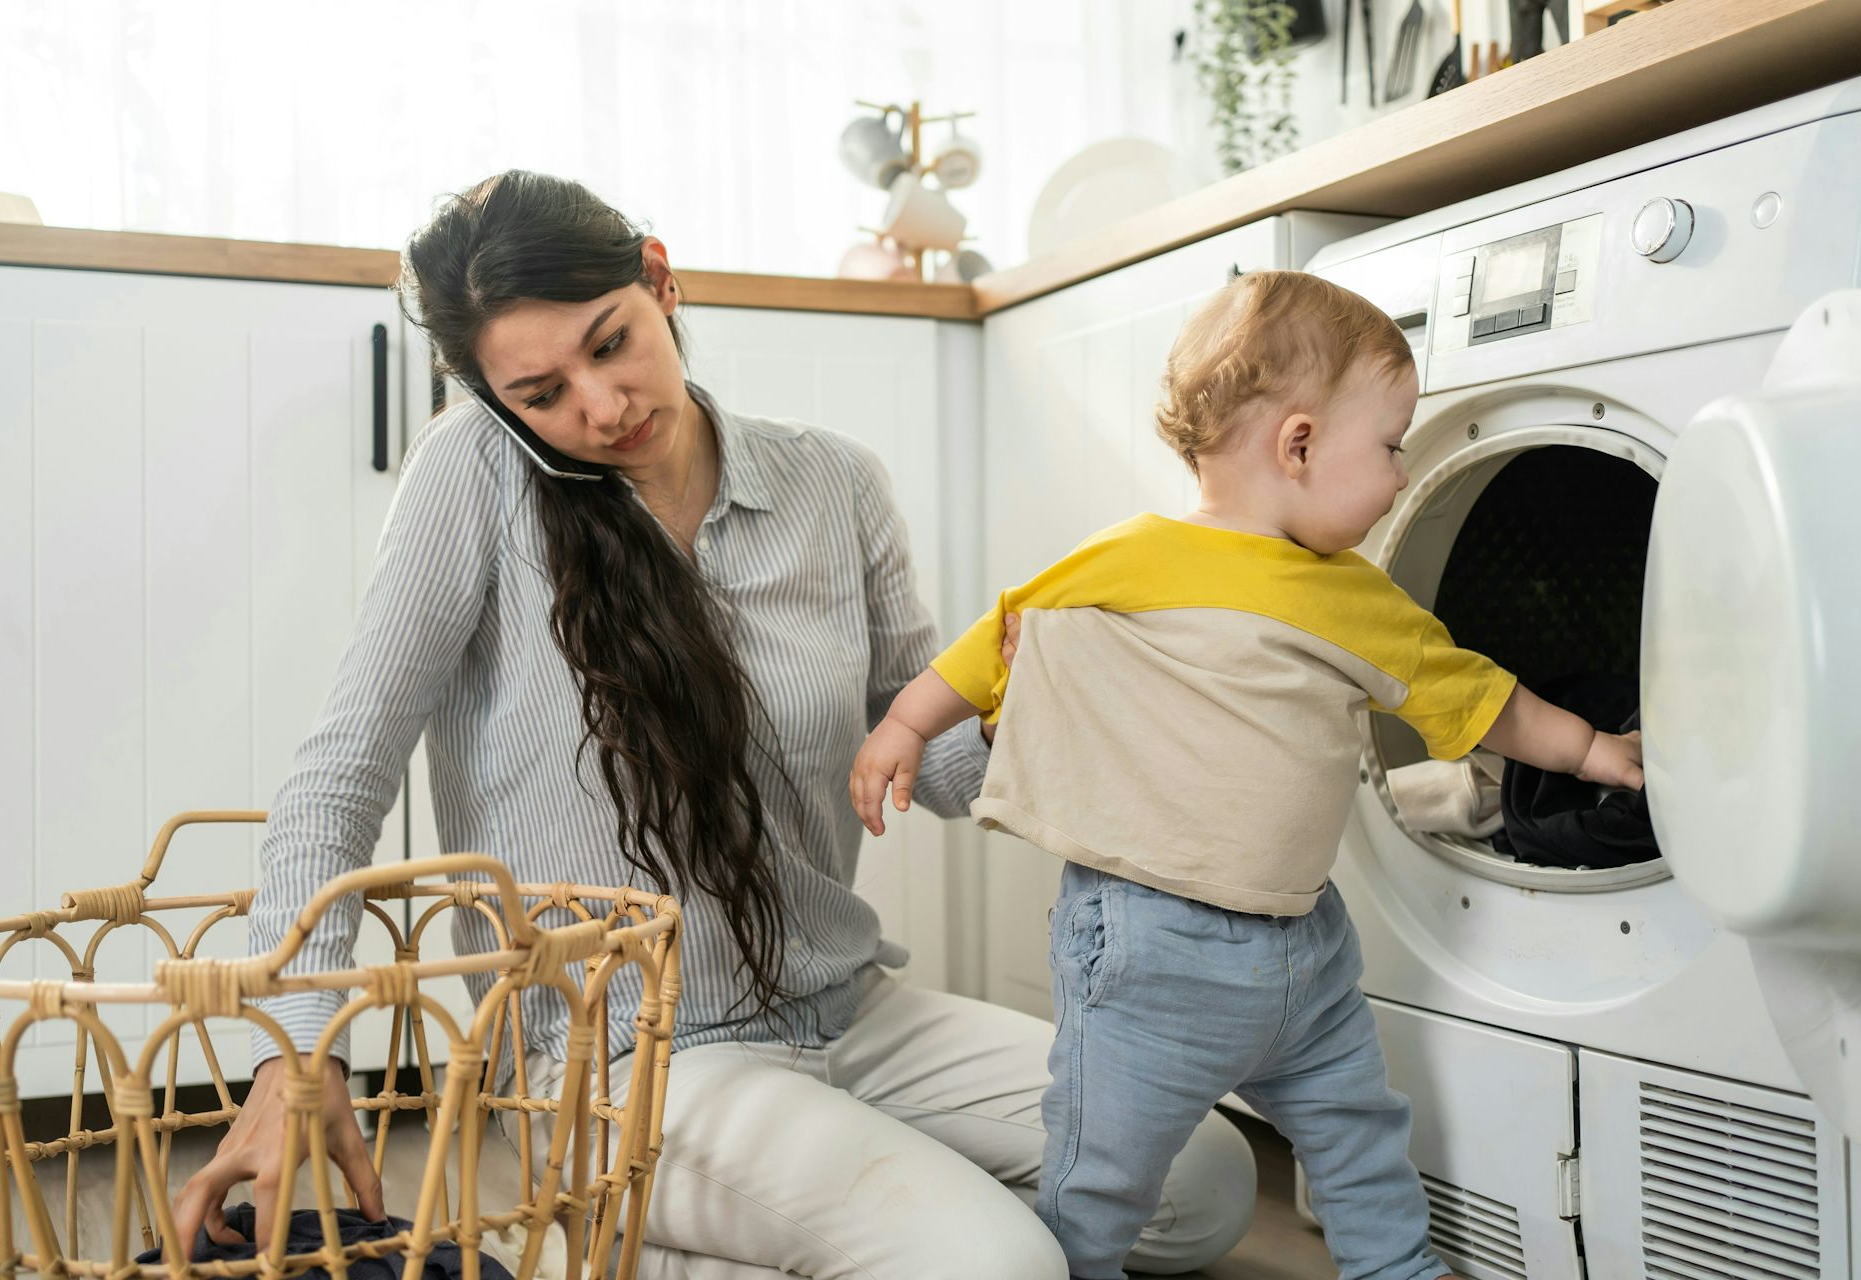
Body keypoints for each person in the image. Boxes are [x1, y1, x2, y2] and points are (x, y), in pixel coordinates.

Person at [168, 170, 1256, 1280]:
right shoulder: (475, 475)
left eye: (611, 344)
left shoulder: (834, 484)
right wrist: (294, 1057)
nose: (599, 406)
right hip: (619, 1059)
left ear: (659, 278)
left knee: (1203, 1179)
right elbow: (339, 775)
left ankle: (781, 1231)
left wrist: (1047, 709)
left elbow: (923, 760)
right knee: (999, 1264)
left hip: (848, 1006)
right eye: (541, 393)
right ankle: (625, 1238)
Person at [850, 269, 1645, 1280]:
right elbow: (998, 644)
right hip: (1145, 955)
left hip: (1305, 954)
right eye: (1393, 444)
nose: (1402, 476)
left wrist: (1587, 749)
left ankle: (1398, 1267)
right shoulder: (1129, 554)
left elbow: (1483, 697)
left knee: (1362, 1141)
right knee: (1102, 1175)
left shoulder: (1358, 599)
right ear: (1300, 443)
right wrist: (906, 724)